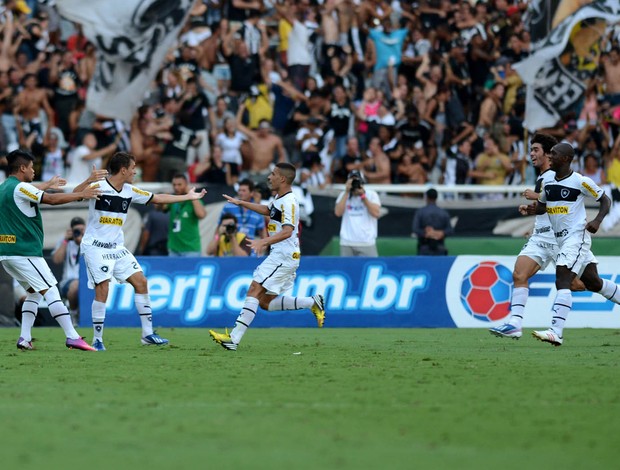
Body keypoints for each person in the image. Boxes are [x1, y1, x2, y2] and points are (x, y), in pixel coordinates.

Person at [74, 152, 206, 351]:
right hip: (95, 247)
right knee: (103, 289)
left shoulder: (129, 190)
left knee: (141, 282)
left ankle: (147, 334)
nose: (136, 171)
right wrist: (87, 181)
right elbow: (74, 195)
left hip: (117, 247)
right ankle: (97, 339)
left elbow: (158, 197)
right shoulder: (99, 187)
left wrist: (187, 196)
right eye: (133, 167)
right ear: (124, 169)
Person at [208, 163, 325, 350]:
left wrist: (264, 242)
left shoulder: (289, 202)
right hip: (282, 255)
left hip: (284, 255)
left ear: (283, 179)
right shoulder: (280, 199)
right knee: (264, 302)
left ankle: (234, 339)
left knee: (254, 288)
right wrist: (241, 203)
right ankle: (312, 302)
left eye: (273, 174)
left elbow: (288, 231)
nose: (269, 177)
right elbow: (267, 210)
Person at [519, 143, 620, 346]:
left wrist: (597, 220)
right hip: (560, 240)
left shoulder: (580, 181)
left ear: (565, 159)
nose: (550, 156)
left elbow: (605, 200)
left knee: (562, 278)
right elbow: (542, 208)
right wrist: (531, 210)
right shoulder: (548, 181)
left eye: (554, 154)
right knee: (594, 282)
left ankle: (556, 332)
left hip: (576, 238)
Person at [0, 149, 101, 351]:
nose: (33, 171)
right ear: (22, 168)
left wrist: (85, 184)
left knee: (34, 294)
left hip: (7, 253)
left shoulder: (5, 188)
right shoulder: (20, 188)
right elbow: (52, 200)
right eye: (30, 167)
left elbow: (52, 194)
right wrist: (82, 193)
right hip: (24, 252)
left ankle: (24, 338)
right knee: (51, 290)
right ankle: (72, 336)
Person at [334, 170, 381, 257]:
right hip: (347, 243)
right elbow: (338, 213)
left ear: (362, 182)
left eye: (357, 181)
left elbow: (376, 213)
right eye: (352, 181)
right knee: (346, 269)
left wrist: (363, 196)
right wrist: (347, 192)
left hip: (366, 242)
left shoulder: (371, 195)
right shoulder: (343, 195)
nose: (354, 184)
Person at [52, 216, 86, 326]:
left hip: (87, 280)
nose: (79, 233)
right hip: (69, 281)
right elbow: (57, 260)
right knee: (76, 284)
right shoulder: (65, 242)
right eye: (76, 230)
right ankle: (74, 314)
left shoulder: (89, 241)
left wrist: (84, 240)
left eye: (81, 230)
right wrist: (66, 240)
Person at [167, 173, 206, 257]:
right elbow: (160, 209)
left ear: (186, 185)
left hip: (191, 249)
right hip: (174, 248)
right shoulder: (173, 199)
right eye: (174, 185)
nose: (176, 187)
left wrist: (191, 196)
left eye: (179, 184)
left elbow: (201, 215)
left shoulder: (194, 201)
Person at [218, 178, 266, 245]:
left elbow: (262, 232)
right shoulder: (228, 207)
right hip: (230, 248)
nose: (240, 193)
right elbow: (219, 227)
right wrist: (216, 240)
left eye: (244, 191)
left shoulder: (257, 209)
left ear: (252, 193)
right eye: (239, 190)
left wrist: (263, 247)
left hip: (250, 250)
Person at [412, 188, 452, 255]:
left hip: (424, 248)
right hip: (439, 248)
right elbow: (450, 230)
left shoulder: (420, 212)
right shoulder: (444, 213)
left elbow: (415, 229)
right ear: (436, 197)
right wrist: (441, 233)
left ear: (426, 197)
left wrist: (427, 233)